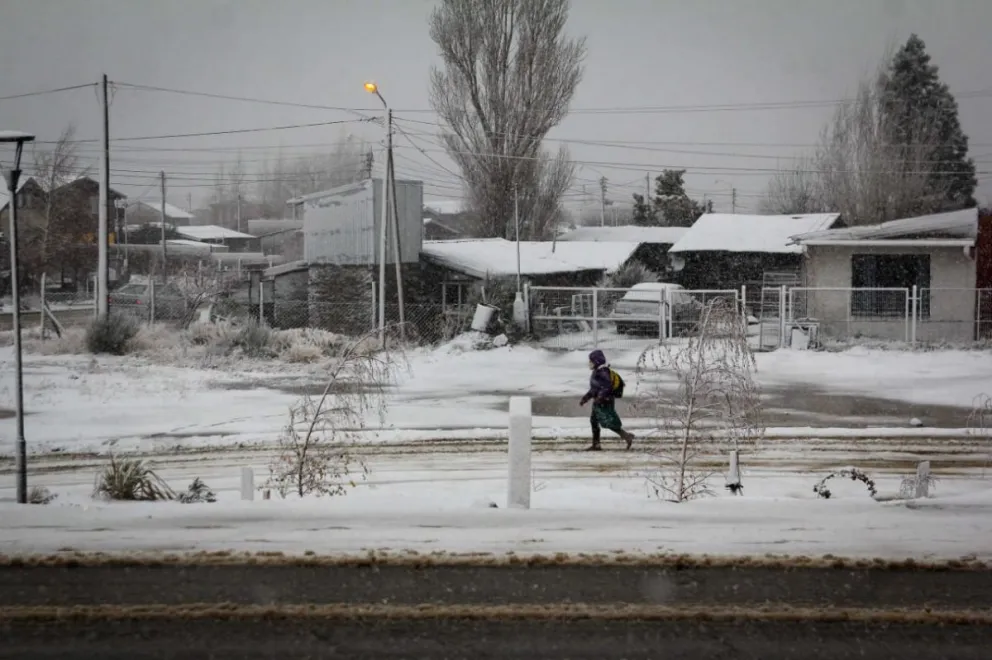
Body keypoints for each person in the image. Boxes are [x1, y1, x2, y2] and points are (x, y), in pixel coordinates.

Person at [579, 349, 634, 451]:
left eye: (591, 361)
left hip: (605, 402)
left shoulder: (603, 372)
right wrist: (585, 398)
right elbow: (594, 389)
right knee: (594, 421)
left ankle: (626, 436)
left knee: (608, 422)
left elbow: (607, 387)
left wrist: (600, 398)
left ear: (596, 362)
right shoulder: (597, 372)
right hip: (599, 401)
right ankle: (596, 444)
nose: (589, 363)